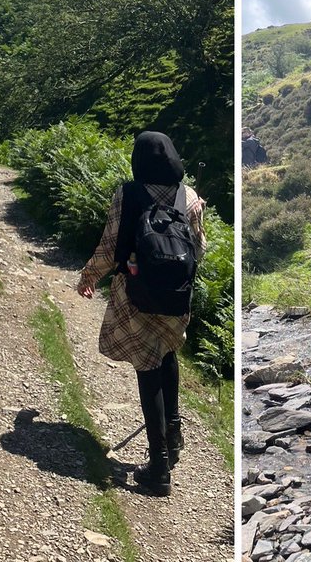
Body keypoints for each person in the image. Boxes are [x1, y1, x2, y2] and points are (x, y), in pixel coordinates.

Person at [77, 132, 205, 496]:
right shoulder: (191, 198)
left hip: (135, 295)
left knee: (147, 369)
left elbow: (109, 244)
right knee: (167, 354)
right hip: (177, 298)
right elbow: (200, 250)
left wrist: (89, 277)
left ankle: (159, 466)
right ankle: (174, 432)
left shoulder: (128, 194)